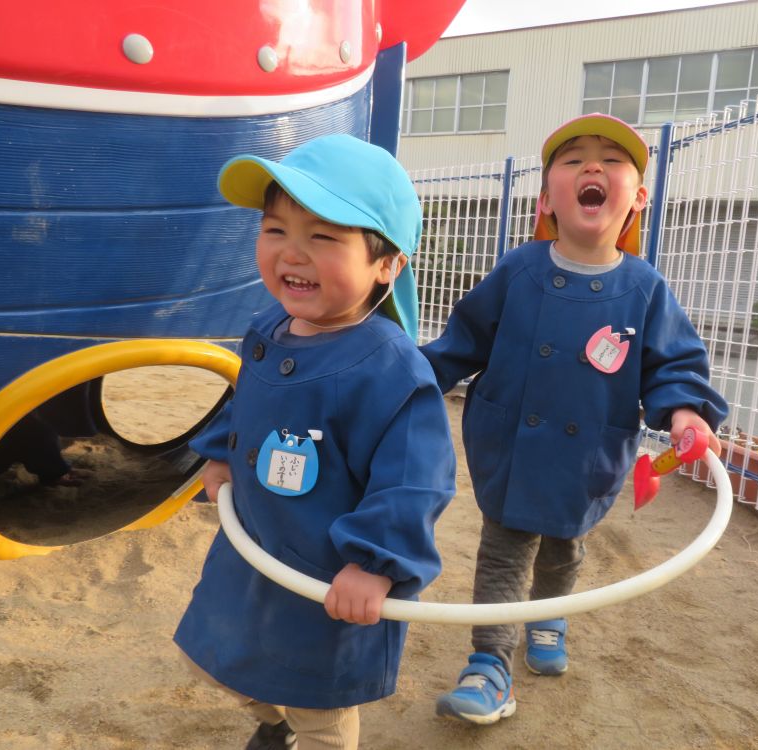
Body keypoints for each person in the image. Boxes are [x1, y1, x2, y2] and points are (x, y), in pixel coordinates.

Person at [421, 113, 729, 725]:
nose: (593, 167)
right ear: (547, 199)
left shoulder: (644, 287)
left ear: (637, 199)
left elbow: (671, 364)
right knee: (504, 554)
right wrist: (407, 383)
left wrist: (687, 411)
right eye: (574, 159)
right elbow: (462, 341)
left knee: (564, 548)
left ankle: (548, 614)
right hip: (510, 443)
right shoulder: (519, 269)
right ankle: (490, 666)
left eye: (612, 161)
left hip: (588, 452)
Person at [174, 134, 457, 750]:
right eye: (275, 230)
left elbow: (417, 477)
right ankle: (272, 725)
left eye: (324, 237)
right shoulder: (267, 328)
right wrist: (223, 448)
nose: (292, 254)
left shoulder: (392, 370)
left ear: (387, 264)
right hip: (253, 550)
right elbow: (247, 395)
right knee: (211, 655)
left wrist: (374, 564)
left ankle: (298, 728)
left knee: (320, 709)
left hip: (327, 577)